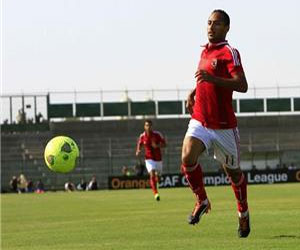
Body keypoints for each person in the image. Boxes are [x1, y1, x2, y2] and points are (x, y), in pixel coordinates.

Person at [181, 10, 250, 238]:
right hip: (201, 119)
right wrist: (194, 92)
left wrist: (212, 79)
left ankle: (243, 214)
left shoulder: (230, 52)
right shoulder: (205, 51)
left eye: (217, 23)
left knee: (233, 174)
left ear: (227, 28)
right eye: (209, 23)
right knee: (187, 156)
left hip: (223, 127)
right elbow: (205, 78)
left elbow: (242, 85)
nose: (211, 27)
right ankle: (201, 200)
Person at [136, 119, 166, 201]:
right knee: (152, 174)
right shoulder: (142, 136)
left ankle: (158, 178)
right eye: (146, 125)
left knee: (158, 178)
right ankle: (156, 193)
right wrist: (138, 150)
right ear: (144, 127)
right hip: (149, 159)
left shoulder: (157, 135)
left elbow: (164, 144)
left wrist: (157, 146)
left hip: (158, 159)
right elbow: (140, 144)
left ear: (152, 126)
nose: (148, 127)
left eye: (149, 125)